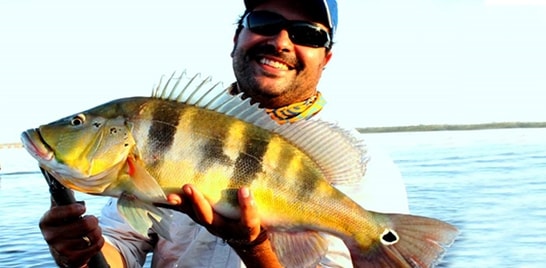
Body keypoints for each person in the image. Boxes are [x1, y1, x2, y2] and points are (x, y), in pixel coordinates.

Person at [38, 0, 409, 267]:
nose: (280, 41)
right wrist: (79, 254)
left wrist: (254, 247)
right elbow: (122, 250)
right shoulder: (159, 135)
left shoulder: (363, 165)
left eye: (306, 34)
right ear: (237, 36)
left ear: (325, 58)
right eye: (264, 20)